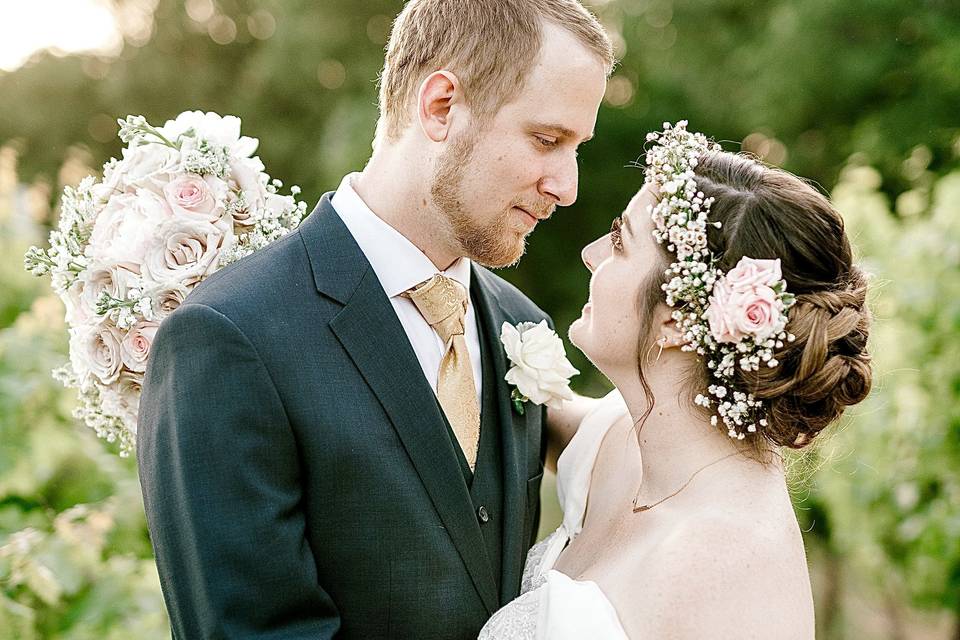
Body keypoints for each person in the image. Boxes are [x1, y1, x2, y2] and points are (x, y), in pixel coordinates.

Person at [136, 1, 612, 638]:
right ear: (440, 106)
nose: (567, 185)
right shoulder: (230, 336)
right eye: (547, 140)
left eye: (576, 147)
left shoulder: (518, 326)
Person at [479, 122, 873, 639]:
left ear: (676, 319)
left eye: (620, 243)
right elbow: (539, 409)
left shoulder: (724, 577)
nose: (591, 252)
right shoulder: (622, 441)